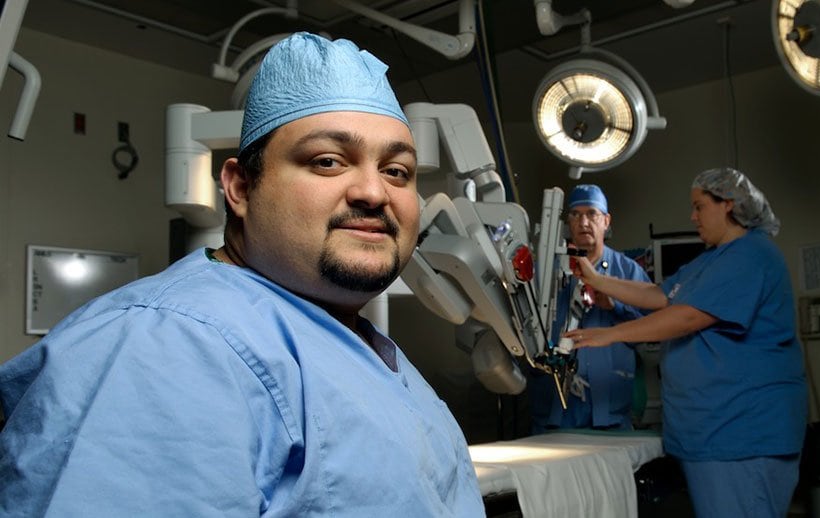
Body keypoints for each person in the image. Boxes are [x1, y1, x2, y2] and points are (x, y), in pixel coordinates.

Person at [0, 33, 484, 517]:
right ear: (239, 186)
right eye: (328, 161)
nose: (374, 192)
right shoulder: (166, 345)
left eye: (397, 171)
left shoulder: (352, 345)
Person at [564, 168, 808, 518]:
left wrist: (611, 334)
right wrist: (596, 278)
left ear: (727, 204)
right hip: (712, 433)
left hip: (743, 433)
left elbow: (688, 316)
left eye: (699, 206)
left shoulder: (752, 256)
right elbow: (659, 295)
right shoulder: (709, 261)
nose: (692, 216)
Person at [528, 184, 650, 434]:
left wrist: (615, 305)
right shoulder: (544, 271)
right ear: (567, 223)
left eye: (592, 214)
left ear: (606, 221)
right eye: (576, 214)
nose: (584, 222)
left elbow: (652, 329)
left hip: (610, 405)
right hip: (554, 410)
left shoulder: (627, 271)